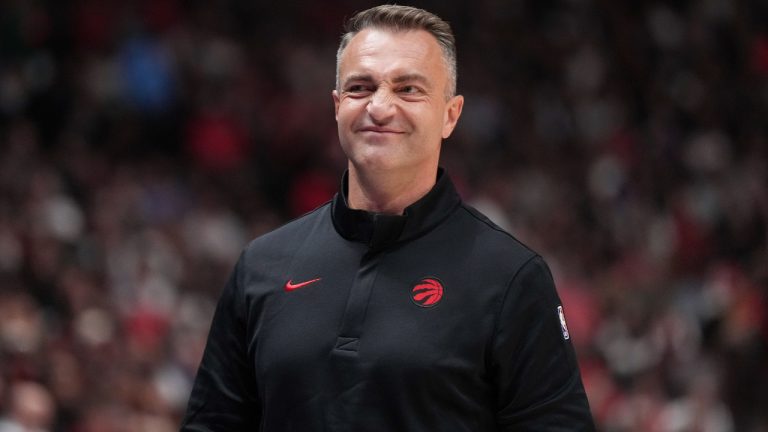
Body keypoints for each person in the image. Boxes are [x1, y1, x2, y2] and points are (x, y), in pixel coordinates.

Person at [180, 5, 595, 431]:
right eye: (361, 87)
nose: (380, 107)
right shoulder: (261, 267)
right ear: (338, 106)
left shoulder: (511, 278)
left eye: (408, 89)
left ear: (450, 114)